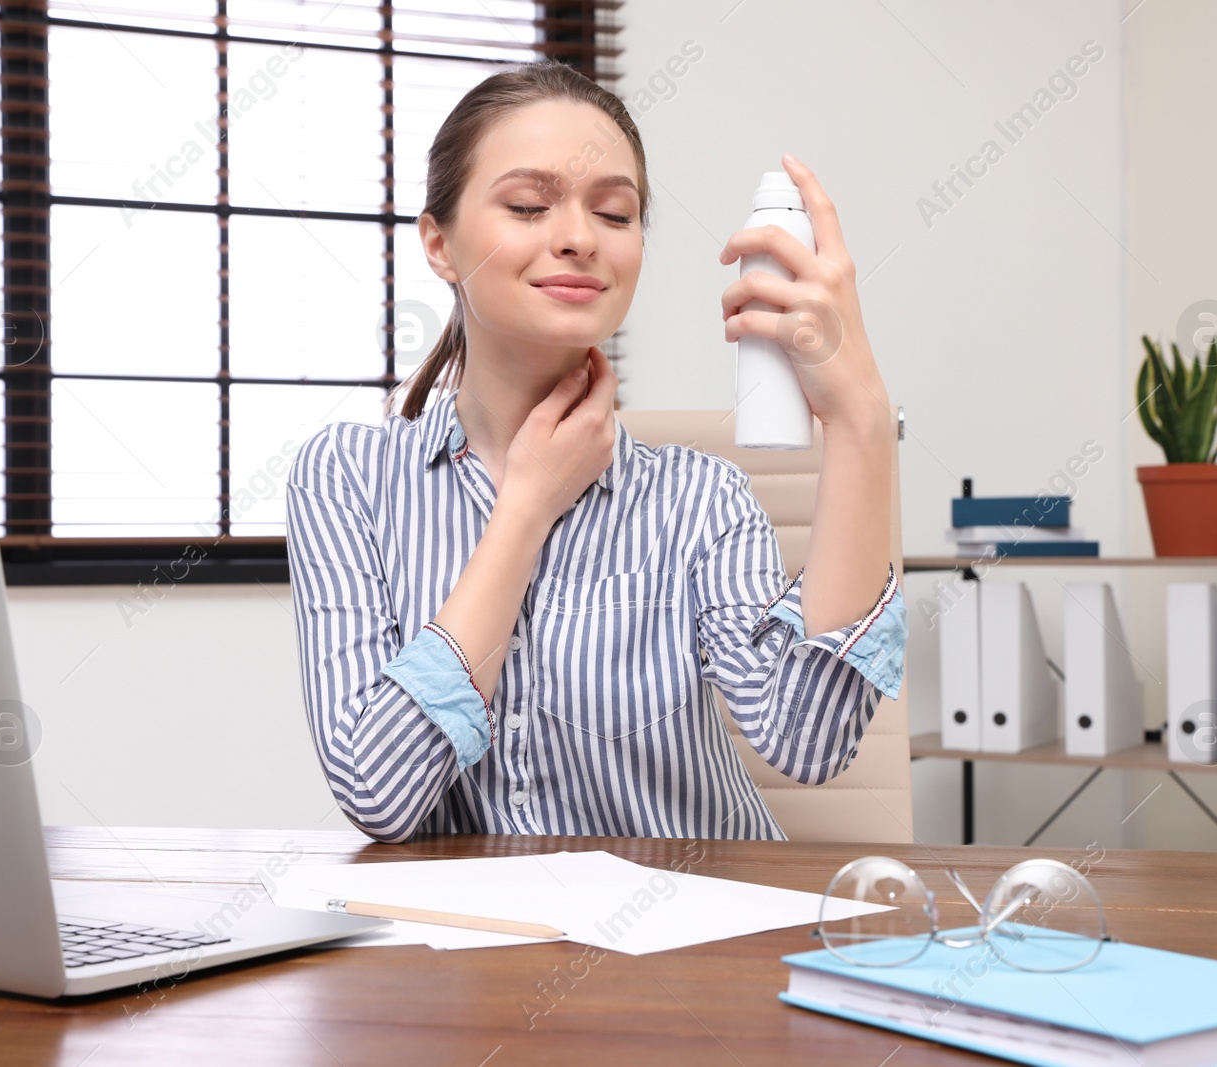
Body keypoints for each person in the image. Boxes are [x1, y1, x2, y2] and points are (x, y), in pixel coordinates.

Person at [286, 59, 906, 844]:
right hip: (469, 953)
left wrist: (859, 417)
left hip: (688, 943)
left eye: (615, 214)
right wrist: (526, 509)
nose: (579, 238)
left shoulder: (700, 500)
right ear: (439, 245)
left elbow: (807, 740)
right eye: (528, 205)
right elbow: (380, 792)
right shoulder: (346, 479)